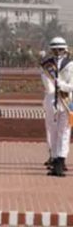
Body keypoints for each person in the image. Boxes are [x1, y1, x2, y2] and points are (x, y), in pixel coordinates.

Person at [41, 37, 72, 177]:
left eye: (60, 49)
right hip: (51, 102)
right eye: (55, 49)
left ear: (65, 50)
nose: (57, 52)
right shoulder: (46, 65)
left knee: (64, 133)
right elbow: (47, 85)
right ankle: (54, 159)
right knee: (52, 133)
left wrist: (63, 86)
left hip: (68, 102)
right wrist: (54, 88)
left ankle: (61, 160)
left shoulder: (71, 65)